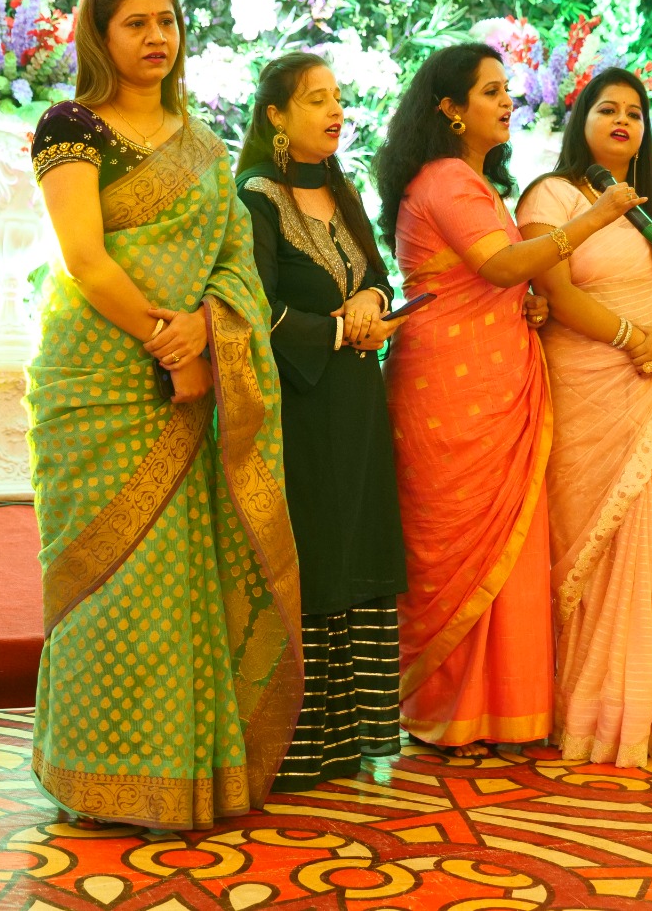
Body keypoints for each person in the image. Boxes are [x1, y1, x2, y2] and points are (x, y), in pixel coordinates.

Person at [25, 0, 302, 828]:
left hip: (188, 379)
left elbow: (235, 263)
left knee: (180, 582)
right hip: (99, 380)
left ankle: (181, 776)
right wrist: (164, 338)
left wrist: (206, 330)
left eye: (167, 21)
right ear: (100, 37)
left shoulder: (205, 145)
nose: (156, 37)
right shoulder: (72, 126)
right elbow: (84, 256)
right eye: (135, 23)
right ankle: (93, 776)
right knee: (103, 584)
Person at [374, 42, 642, 757]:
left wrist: (530, 302)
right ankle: (452, 708)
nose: (507, 102)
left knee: (510, 544)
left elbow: (497, 281)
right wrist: (595, 217)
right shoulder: (447, 180)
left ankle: (502, 709)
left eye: (507, 89)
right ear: (450, 109)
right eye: (491, 91)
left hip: (493, 383)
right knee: (456, 546)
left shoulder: (475, 181)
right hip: (452, 389)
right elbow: (499, 264)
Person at [516, 67, 652, 770]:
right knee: (589, 543)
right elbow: (554, 290)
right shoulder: (551, 195)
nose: (623, 121)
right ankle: (586, 708)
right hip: (588, 387)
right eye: (608, 109)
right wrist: (636, 339)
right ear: (583, 120)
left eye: (635, 112)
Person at [233, 52, 408, 790]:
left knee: (357, 550)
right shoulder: (255, 197)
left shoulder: (342, 189)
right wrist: (337, 331)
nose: (336, 111)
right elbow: (254, 308)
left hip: (356, 404)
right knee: (312, 557)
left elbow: (374, 275)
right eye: (315, 100)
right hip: (297, 408)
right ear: (276, 116)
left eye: (337, 98)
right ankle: (303, 745)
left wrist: (372, 302)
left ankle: (357, 739)